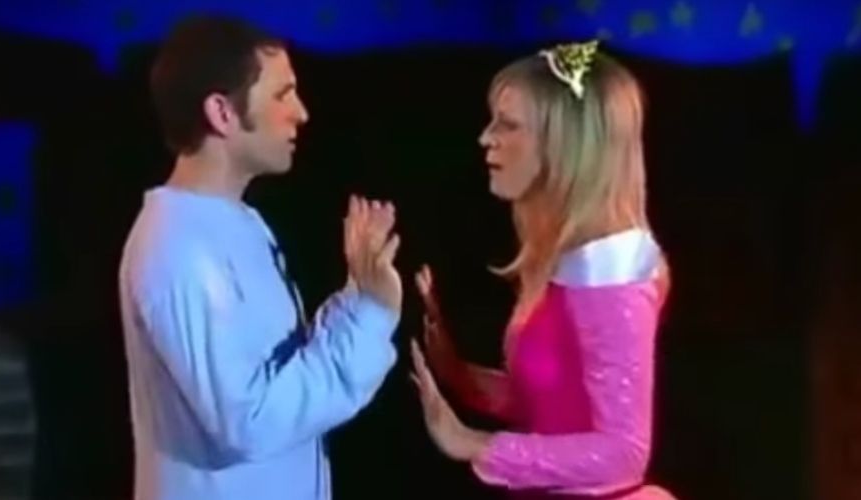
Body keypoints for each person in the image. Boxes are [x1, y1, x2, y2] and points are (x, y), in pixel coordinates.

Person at [118, 16, 402, 500]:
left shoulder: (238, 222)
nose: (301, 113)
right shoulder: (178, 246)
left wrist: (361, 296)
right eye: (281, 95)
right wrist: (368, 321)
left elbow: (284, 369)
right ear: (222, 112)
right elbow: (250, 421)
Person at [410, 40, 676, 499]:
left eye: (508, 124)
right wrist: (458, 374)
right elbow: (549, 402)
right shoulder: (571, 261)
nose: (486, 138)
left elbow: (623, 450)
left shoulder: (611, 266)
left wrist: (474, 443)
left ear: (564, 146)